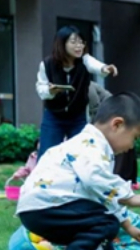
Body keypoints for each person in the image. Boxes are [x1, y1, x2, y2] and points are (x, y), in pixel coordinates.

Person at [15, 92, 140, 250]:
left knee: (103, 225)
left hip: (40, 208)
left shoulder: (93, 147)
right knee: (105, 224)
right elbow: (93, 177)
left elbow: (102, 197)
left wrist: (127, 225)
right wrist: (128, 195)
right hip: (47, 206)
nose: (131, 146)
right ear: (117, 124)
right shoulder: (90, 145)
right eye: (134, 138)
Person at [36, 26, 118, 158]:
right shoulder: (47, 64)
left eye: (81, 42)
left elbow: (96, 65)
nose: (79, 46)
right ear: (62, 43)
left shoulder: (84, 60)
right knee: (47, 155)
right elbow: (41, 89)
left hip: (78, 117)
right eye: (73, 42)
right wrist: (50, 91)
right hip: (53, 116)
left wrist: (105, 68)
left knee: (81, 155)